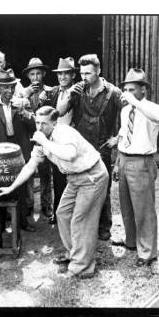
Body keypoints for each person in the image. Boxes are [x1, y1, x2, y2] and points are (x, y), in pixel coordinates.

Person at [0, 106, 109, 279]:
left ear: (54, 123)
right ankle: (75, 254)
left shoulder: (63, 132)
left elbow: (69, 154)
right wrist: (11, 187)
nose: (39, 128)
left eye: (44, 124)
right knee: (62, 213)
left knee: (81, 221)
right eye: (37, 123)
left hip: (92, 175)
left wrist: (44, 142)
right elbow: (30, 166)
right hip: (75, 177)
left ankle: (82, 268)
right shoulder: (42, 140)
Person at [57, 54, 122, 241]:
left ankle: (104, 226)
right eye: (82, 73)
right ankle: (85, 225)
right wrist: (70, 94)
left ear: (98, 71)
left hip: (102, 149)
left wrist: (118, 137)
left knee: (103, 189)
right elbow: (59, 112)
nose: (84, 77)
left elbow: (130, 114)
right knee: (80, 187)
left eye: (88, 73)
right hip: (81, 151)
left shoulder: (113, 92)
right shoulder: (77, 91)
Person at [111, 68, 159, 267]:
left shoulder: (152, 108)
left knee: (144, 209)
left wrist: (135, 102)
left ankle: (148, 252)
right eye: (125, 89)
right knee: (126, 206)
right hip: (125, 159)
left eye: (132, 89)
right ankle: (132, 241)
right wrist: (117, 163)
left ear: (143, 90)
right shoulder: (126, 111)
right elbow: (124, 136)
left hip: (142, 162)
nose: (127, 93)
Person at [0, 69, 36, 232]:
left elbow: (33, 127)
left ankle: (23, 221)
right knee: (0, 184)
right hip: (0, 150)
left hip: (19, 149)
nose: (8, 91)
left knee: (20, 186)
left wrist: (25, 113)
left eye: (11, 87)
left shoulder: (21, 104)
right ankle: (0, 224)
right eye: (4, 87)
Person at [41, 57, 77, 224]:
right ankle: (57, 213)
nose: (62, 77)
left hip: (71, 139)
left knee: (73, 179)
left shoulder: (77, 92)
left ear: (73, 75)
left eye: (66, 74)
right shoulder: (54, 91)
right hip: (56, 140)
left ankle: (72, 216)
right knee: (58, 178)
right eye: (60, 74)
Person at [21, 58, 54, 219]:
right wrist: (26, 97)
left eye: (38, 74)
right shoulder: (23, 92)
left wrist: (44, 100)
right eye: (32, 74)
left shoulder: (50, 91)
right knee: (28, 172)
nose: (35, 78)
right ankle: (28, 205)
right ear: (28, 76)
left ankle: (47, 205)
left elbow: (51, 116)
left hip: (45, 138)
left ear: (44, 74)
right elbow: (23, 116)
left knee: (45, 173)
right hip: (28, 138)